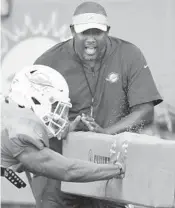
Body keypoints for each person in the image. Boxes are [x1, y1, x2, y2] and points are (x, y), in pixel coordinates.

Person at [34, 1, 163, 208]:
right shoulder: (49, 62)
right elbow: (34, 118)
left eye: (98, 32)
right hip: (61, 167)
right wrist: (65, 128)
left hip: (109, 165)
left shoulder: (129, 55)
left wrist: (106, 133)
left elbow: (145, 111)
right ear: (72, 31)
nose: (91, 39)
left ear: (108, 31)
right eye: (85, 33)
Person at [1, 65, 127, 208]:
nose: (58, 114)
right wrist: (117, 168)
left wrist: (63, 129)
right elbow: (68, 171)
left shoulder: (13, 111)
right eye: (55, 106)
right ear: (35, 99)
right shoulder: (20, 133)